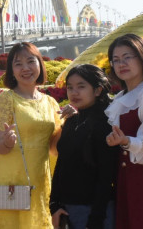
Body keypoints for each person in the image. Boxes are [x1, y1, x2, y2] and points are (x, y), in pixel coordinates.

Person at [0, 42, 62, 229]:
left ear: (40, 65)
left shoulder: (50, 102)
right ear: (11, 70)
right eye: (18, 64)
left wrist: (69, 124)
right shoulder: (6, 99)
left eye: (30, 61)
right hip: (12, 181)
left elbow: (53, 148)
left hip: (40, 179)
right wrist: (7, 142)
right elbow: (0, 149)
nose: (25, 68)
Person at [104, 33, 143, 229]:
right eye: (116, 60)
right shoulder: (120, 98)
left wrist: (126, 142)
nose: (121, 63)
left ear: (142, 58)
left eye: (127, 57)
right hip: (125, 180)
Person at [49, 64, 118, 229]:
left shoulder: (105, 124)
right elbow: (61, 164)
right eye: (70, 87)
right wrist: (54, 205)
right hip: (67, 209)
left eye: (81, 87)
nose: (74, 92)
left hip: (95, 212)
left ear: (97, 90)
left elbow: (106, 176)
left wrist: (95, 220)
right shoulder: (73, 120)